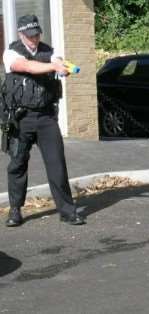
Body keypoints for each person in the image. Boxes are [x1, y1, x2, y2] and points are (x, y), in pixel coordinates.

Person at [0, 14, 85, 226]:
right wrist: (53, 67)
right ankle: (15, 211)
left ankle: (68, 212)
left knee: (57, 164)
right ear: (21, 34)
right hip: (21, 118)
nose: (34, 39)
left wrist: (61, 67)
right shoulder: (11, 52)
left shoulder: (50, 51)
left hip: (46, 117)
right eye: (29, 36)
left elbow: (58, 62)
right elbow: (25, 66)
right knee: (18, 164)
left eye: (36, 34)